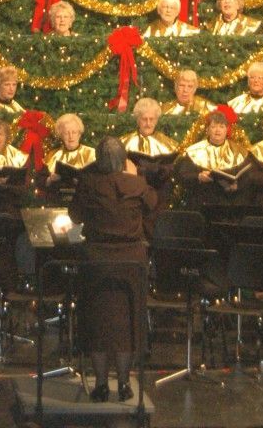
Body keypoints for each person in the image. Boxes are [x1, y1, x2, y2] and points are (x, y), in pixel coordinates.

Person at [68, 136, 157, 402]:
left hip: (96, 261)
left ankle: (102, 384)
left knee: (97, 320)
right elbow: (153, 204)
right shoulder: (137, 184)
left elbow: (74, 216)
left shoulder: (88, 184)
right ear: (123, 160)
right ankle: (125, 383)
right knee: (128, 321)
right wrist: (133, 174)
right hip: (131, 262)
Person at [175, 110, 251, 208]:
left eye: (221, 126)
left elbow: (248, 178)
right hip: (201, 200)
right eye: (214, 126)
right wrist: (198, 176)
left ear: (227, 130)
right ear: (208, 130)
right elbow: (182, 174)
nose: (217, 130)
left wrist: (238, 185)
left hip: (229, 202)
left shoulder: (239, 151)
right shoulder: (194, 151)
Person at [43, 114, 96, 197]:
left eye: (74, 132)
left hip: (84, 200)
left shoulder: (91, 153)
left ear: (79, 134)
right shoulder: (52, 155)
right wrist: (50, 179)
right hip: (57, 199)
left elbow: (98, 182)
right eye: (66, 133)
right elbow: (41, 183)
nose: (71, 137)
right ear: (61, 135)